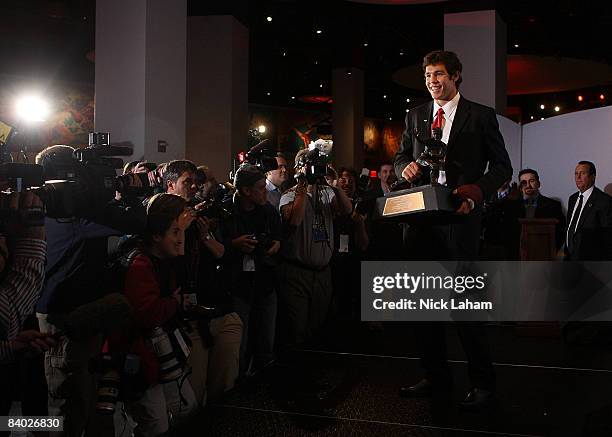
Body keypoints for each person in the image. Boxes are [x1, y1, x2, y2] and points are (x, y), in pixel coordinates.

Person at [394, 50, 512, 409]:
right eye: (428, 74)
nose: (432, 81)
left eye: (439, 74)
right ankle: (434, 375)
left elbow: (502, 168)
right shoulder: (415, 116)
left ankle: (483, 383)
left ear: (456, 76)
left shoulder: (480, 115)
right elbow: (400, 156)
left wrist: (476, 192)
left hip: (460, 218)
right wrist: (404, 169)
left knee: (465, 308)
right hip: (420, 221)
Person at [220, 164, 281, 376]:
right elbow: (216, 248)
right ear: (246, 190)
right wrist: (233, 244)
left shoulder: (268, 212)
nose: (265, 191)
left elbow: (278, 236)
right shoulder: (226, 211)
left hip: (265, 281)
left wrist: (277, 243)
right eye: (260, 188)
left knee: (266, 340)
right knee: (240, 342)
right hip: (238, 285)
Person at [502, 169, 565, 259]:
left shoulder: (553, 205)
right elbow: (507, 230)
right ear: (520, 186)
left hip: (544, 257)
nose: (528, 185)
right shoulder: (512, 205)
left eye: (531, 181)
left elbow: (561, 231)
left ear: (538, 184)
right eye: (524, 182)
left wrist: (550, 249)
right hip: (516, 258)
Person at [565, 161, 612, 261]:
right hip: (570, 260)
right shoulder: (572, 199)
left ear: (593, 176)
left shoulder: (604, 201)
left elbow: (607, 236)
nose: (578, 177)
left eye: (583, 173)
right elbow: (570, 229)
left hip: (592, 262)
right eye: (576, 174)